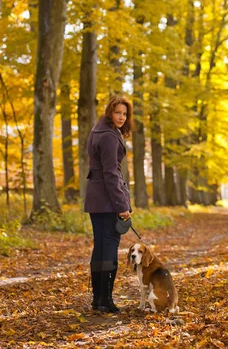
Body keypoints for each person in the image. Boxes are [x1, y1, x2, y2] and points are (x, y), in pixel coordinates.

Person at [84, 96, 133, 313]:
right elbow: (111, 173)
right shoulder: (110, 137)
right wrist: (122, 204)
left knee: (101, 248)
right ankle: (105, 300)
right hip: (107, 201)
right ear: (109, 113)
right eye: (118, 112)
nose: (121, 117)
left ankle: (99, 299)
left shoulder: (97, 131)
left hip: (96, 199)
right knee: (109, 248)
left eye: (124, 114)